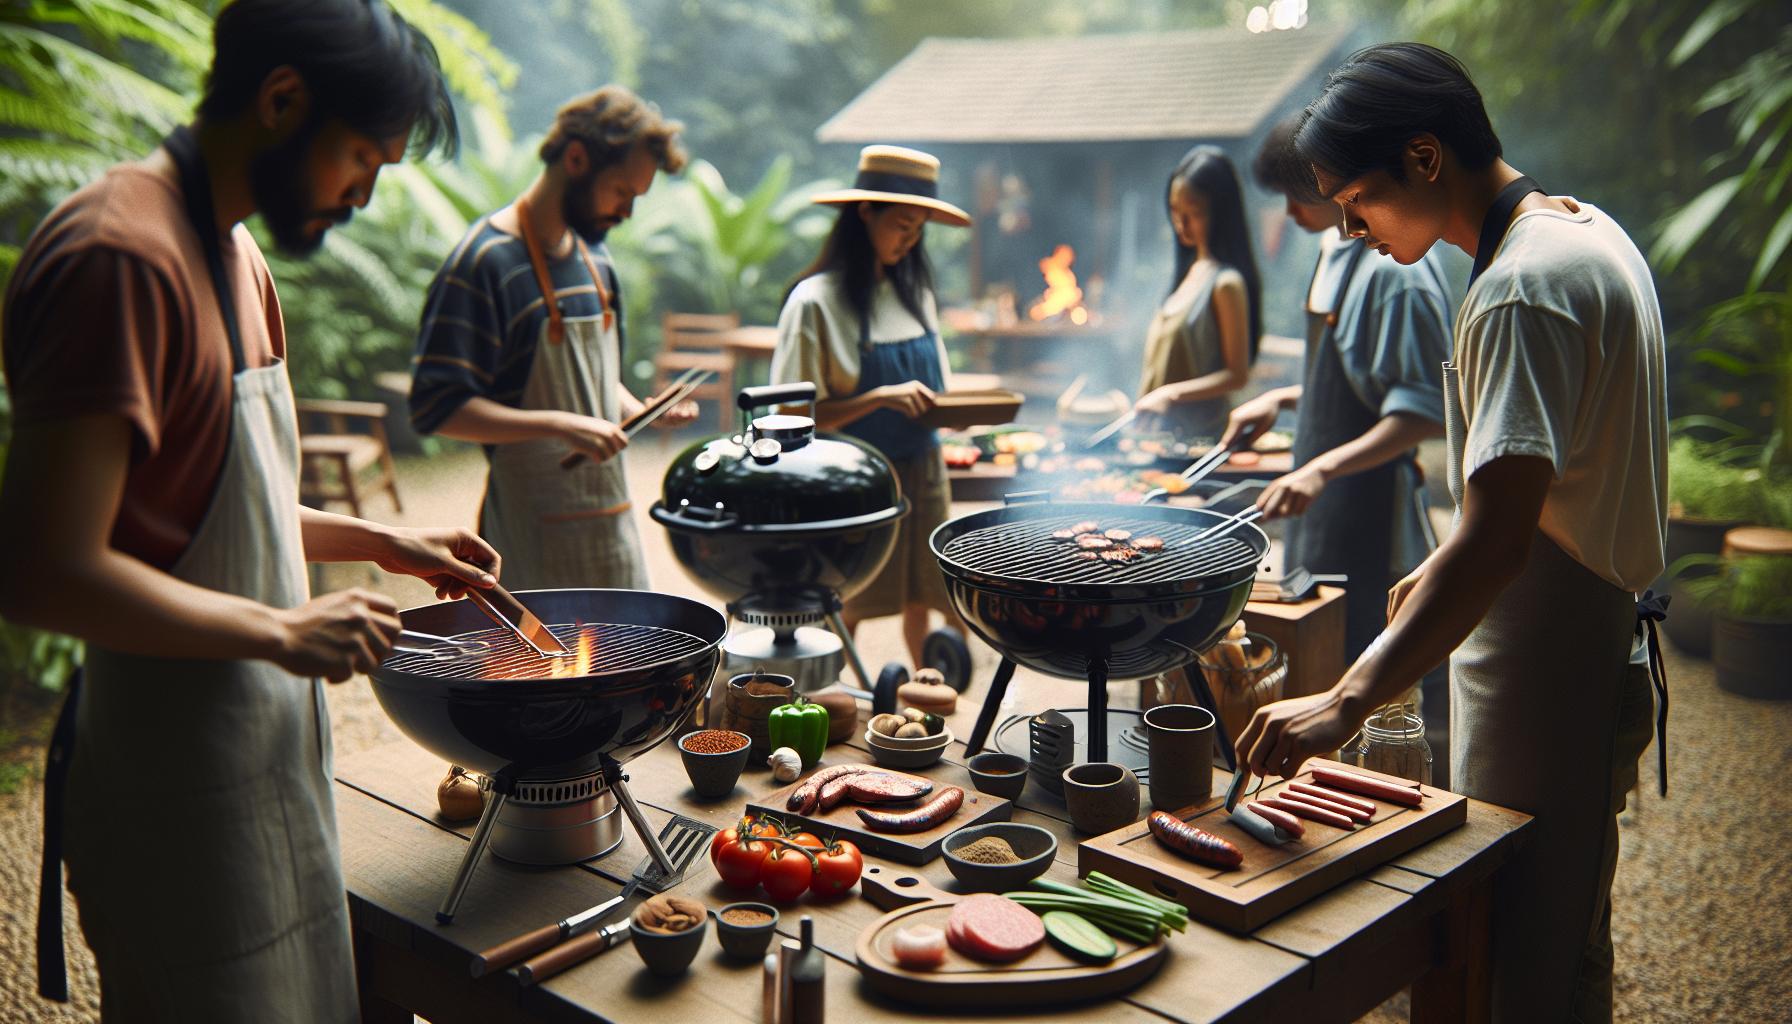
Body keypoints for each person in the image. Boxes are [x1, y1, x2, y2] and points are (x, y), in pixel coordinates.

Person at [0, 1, 498, 1016]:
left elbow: (226, 514)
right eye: (362, 157)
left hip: (274, 763)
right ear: (282, 101)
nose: (364, 194)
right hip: (173, 784)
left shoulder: (241, 256)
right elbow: (45, 568)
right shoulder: (118, 258)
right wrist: (281, 627)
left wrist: (382, 541)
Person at [1234, 43, 1666, 1022]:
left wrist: (1340, 701)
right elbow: (1551, 481)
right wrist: (1442, 554)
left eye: (1354, 202)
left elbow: (1502, 541)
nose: (1345, 228)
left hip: (1540, 666)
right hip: (1586, 635)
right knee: (1568, 928)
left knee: (1519, 951)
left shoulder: (1515, 288)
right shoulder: (1588, 233)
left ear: (1423, 159)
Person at [1225, 114, 1453, 758]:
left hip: (1372, 517)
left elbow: (1424, 408)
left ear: (1337, 188)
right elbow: (1353, 381)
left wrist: (1321, 468)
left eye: (1300, 196)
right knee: (1319, 667)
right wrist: (1284, 397)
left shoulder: (1396, 275)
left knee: (1374, 687)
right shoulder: (1335, 253)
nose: (1291, 213)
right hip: (1325, 512)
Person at [409, 86, 695, 590]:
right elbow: (437, 409)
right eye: (622, 192)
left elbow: (594, 381)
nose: (627, 212)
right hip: (528, 537)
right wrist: (561, 425)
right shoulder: (485, 263)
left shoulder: (598, 262)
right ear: (577, 158)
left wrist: (637, 408)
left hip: (613, 530)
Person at [769, 145, 969, 665]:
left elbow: (937, 388)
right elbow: (789, 417)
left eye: (921, 226)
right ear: (864, 213)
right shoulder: (815, 302)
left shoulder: (915, 294)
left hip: (925, 469)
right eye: (903, 223)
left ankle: (935, 693)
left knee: (930, 592)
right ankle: (836, 700)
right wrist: (878, 398)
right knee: (849, 598)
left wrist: (954, 412)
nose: (912, 238)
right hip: (856, 478)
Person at [1132, 146, 1263, 439]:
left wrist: (1171, 394)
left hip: (1199, 443)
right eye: (1175, 211)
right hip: (1160, 441)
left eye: (1194, 213)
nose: (1182, 225)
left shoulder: (1226, 283)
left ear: (1221, 213)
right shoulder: (1188, 273)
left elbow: (1237, 375)